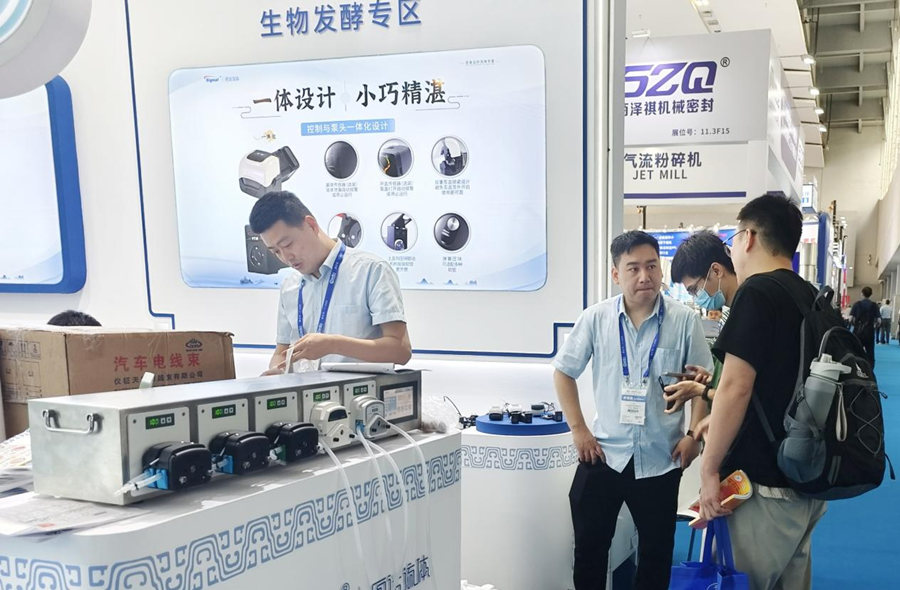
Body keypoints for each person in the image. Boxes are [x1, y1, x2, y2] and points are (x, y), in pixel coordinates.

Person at [552, 230, 713, 590]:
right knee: (590, 550)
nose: (645, 276)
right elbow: (563, 372)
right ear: (616, 274)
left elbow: (701, 383)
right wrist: (579, 430)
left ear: (661, 269)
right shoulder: (595, 319)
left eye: (652, 266)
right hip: (603, 454)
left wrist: (693, 435)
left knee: (656, 554)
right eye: (634, 268)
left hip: (661, 457)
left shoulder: (684, 321)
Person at [699, 194, 827, 590]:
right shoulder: (810, 296)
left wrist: (709, 469)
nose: (734, 249)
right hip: (806, 480)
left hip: (763, 487)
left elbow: (736, 387)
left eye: (733, 239)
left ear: (749, 237)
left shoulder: (757, 293)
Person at [248, 191, 411, 374]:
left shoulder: (371, 271)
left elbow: (401, 350)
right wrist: (277, 371)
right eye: (276, 252)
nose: (286, 257)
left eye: (287, 245)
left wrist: (333, 344)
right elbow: (281, 352)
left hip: (357, 391)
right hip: (302, 390)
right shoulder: (290, 286)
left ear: (311, 225)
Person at [662, 230, 743, 422]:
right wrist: (712, 379)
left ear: (716, 271)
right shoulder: (732, 314)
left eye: (694, 289)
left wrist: (700, 390)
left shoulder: (745, 314)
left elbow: (741, 392)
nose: (696, 298)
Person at [850, 286, 880, 367]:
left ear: (862, 294)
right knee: (870, 352)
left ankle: (857, 367)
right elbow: (879, 321)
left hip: (858, 332)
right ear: (871, 294)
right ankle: (870, 369)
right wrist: (874, 326)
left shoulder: (856, 304)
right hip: (869, 331)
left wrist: (855, 325)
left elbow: (851, 319)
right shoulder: (874, 305)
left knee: (856, 351)